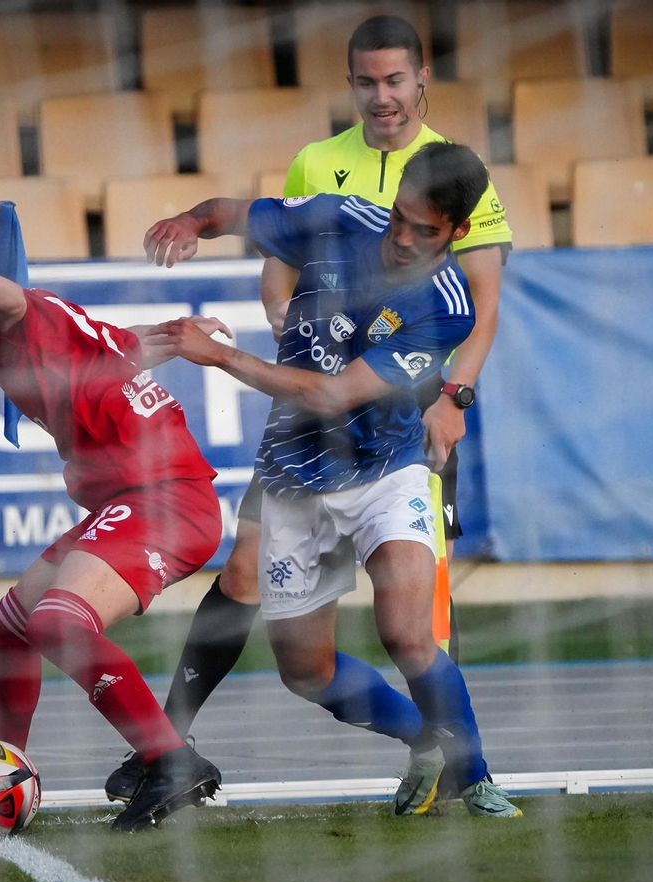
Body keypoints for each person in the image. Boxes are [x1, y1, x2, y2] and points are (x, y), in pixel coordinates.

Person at [106, 13, 513, 805]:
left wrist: (455, 397)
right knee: (301, 663)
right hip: (296, 451)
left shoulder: (448, 289)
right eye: (368, 80)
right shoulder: (332, 186)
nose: (399, 238)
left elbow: (349, 383)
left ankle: (478, 777)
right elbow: (262, 230)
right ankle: (414, 737)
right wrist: (196, 222)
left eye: (396, 79)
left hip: (390, 448)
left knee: (407, 625)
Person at [0, 232, 233, 833]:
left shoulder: (5, 324)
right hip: (128, 503)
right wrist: (179, 332)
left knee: (58, 622)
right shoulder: (27, 344)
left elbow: (12, 301)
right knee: (3, 629)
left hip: (164, 500)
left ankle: (172, 762)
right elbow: (122, 347)